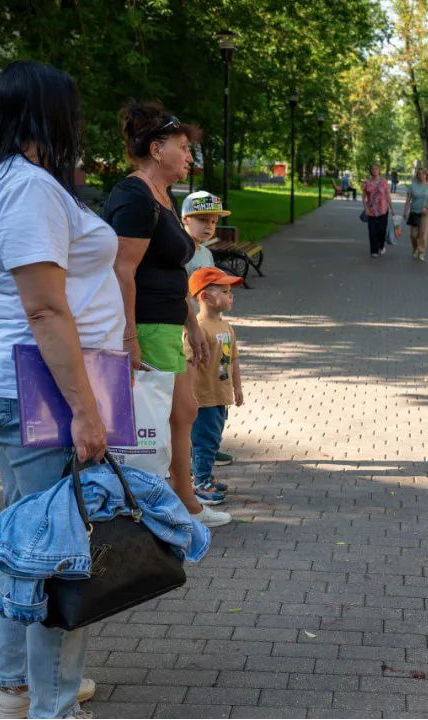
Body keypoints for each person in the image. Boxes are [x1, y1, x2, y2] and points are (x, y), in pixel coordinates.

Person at [0, 60, 108, 720]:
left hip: (11, 385)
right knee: (56, 560)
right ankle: (52, 706)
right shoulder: (26, 189)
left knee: (27, 545)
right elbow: (45, 310)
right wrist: (84, 409)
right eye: (70, 111)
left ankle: (15, 692)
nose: (75, 124)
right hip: (36, 394)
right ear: (46, 114)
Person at [103, 101, 231, 528]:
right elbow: (122, 269)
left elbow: (171, 268)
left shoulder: (162, 195)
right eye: (183, 147)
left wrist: (191, 323)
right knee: (155, 422)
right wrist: (128, 337)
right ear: (157, 149)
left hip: (166, 321)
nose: (189, 157)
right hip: (144, 324)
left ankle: (185, 499)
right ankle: (161, 507)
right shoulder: (135, 196)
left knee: (185, 411)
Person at [181, 191, 236, 469]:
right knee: (194, 389)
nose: (208, 226)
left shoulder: (205, 253)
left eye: (213, 221)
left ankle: (208, 445)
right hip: (187, 328)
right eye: (201, 219)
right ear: (184, 220)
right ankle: (195, 449)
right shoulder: (181, 250)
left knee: (213, 383)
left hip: (208, 326)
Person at [186, 267, 245, 496]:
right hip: (203, 398)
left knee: (212, 439)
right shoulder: (198, 328)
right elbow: (189, 363)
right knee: (205, 442)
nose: (230, 296)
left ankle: (202, 475)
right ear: (205, 296)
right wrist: (189, 395)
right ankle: (201, 483)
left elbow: (234, 359)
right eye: (224, 291)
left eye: (230, 291)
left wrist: (237, 387)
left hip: (220, 395)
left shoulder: (226, 326)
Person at [404, 166, 428, 261]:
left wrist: (426, 207)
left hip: (425, 214)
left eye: (423, 174)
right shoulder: (412, 186)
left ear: (426, 175)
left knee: (423, 234)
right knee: (413, 235)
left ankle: (421, 252)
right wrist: (405, 211)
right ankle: (415, 247)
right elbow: (408, 200)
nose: (421, 175)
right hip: (414, 212)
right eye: (419, 174)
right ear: (417, 175)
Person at [362, 162, 394, 258]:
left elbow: (387, 196)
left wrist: (392, 209)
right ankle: (374, 251)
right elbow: (363, 198)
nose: (374, 170)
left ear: (379, 170)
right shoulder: (367, 183)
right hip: (371, 211)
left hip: (383, 210)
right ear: (370, 171)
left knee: (381, 230)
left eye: (376, 169)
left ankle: (381, 245)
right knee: (372, 231)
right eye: (372, 169)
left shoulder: (384, 182)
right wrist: (366, 208)